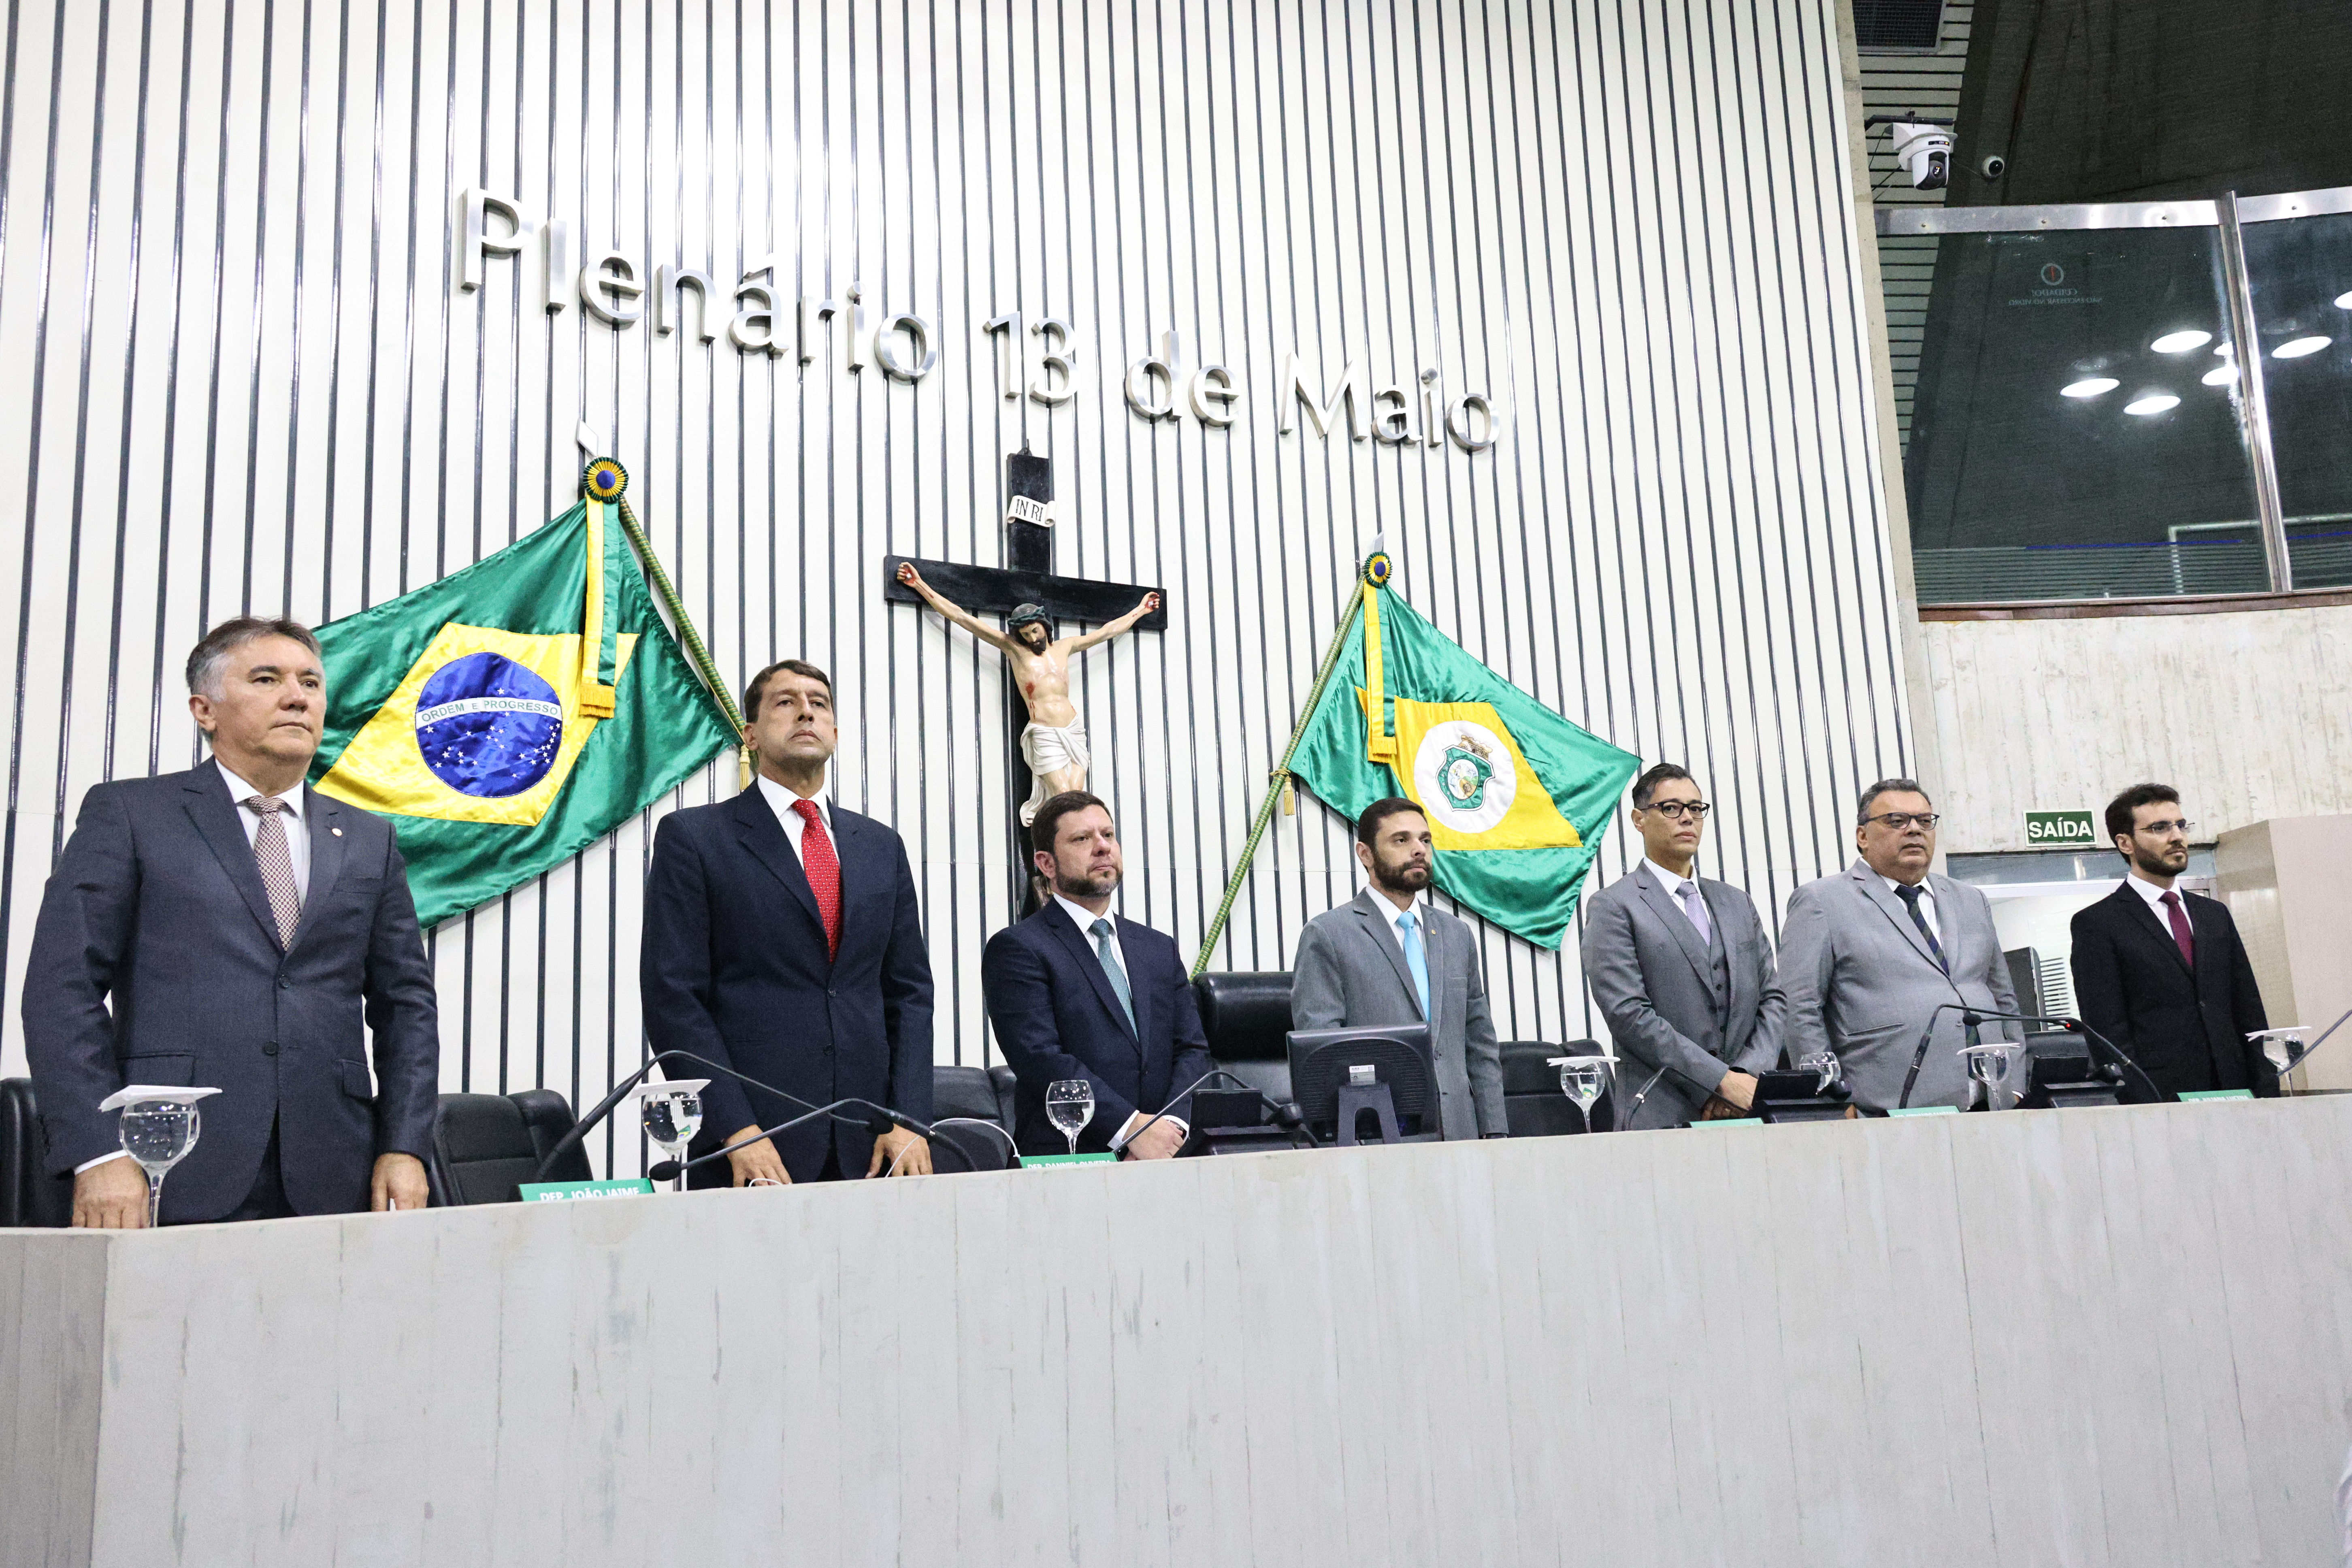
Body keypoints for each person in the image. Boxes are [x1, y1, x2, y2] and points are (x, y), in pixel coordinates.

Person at [21, 617, 440, 1226]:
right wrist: (97, 1151)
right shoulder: (132, 815)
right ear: (205, 709)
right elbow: (62, 990)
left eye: (311, 683)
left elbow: (407, 1005)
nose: (298, 696)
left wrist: (405, 1145)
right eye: (267, 679)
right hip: (164, 1163)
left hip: (336, 1168)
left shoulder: (368, 840)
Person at [640, 659, 934, 1185]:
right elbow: (673, 997)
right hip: (751, 1148)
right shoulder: (696, 838)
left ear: (835, 734)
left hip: (872, 1145)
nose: (806, 712)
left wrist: (908, 1119)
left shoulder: (881, 846)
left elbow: (909, 992)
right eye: (786, 702)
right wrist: (736, 1129)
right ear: (750, 735)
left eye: (819, 703)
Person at [982, 790, 1211, 1157]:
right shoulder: (1019, 948)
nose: (1103, 847)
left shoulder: (1157, 947)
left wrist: (1168, 1130)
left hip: (1168, 1155)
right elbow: (1042, 1059)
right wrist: (1131, 1130)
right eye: (1082, 839)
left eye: (1108, 835)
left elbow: (1192, 1049)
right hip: (1070, 1158)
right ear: (1047, 863)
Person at [1777, 779, 2019, 1110]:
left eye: (1924, 821)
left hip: (1994, 1098)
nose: (1914, 830)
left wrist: (2017, 1085)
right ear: (1862, 836)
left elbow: (2003, 996)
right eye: (1896, 821)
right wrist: (1830, 1099)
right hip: (1885, 1104)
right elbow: (1801, 1008)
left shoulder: (1970, 899)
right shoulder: (1821, 902)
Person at [1579, 764, 1785, 1128]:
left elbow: (1773, 998)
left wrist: (1745, 1078)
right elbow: (1629, 1015)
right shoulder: (1614, 906)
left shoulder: (1737, 903)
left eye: (1696, 808)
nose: (1687, 818)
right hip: (1661, 1113)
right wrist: (1718, 1082)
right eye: (1671, 808)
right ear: (1639, 820)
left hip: (1751, 1108)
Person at [1290, 797, 1507, 1140]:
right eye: (1401, 840)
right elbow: (1322, 1057)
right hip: (1376, 1137)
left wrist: (1496, 1132)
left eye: (1425, 840)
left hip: (1461, 1133)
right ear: (1365, 854)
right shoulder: (1328, 934)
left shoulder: (1456, 934)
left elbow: (1479, 1045)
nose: (1419, 850)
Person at [895, 562, 1158, 824]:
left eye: (1035, 630)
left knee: (1077, 795)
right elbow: (961, 617)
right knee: (1065, 796)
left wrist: (1141, 610)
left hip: (1073, 730)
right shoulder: (1014, 649)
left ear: (1045, 625)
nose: (1032, 638)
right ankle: (1069, 847)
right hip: (1044, 732)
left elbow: (1106, 632)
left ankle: (1067, 846)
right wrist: (918, 584)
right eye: (1025, 634)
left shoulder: (1065, 647)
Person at [2069, 783, 2273, 1098]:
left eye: (2180, 825)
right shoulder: (2098, 924)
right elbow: (2107, 1031)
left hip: (2236, 1091)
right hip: (2160, 1097)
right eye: (2159, 828)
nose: (2177, 836)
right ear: (2126, 843)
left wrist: (2266, 1089)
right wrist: (2142, 1102)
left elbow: (2248, 1008)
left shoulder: (2213, 914)